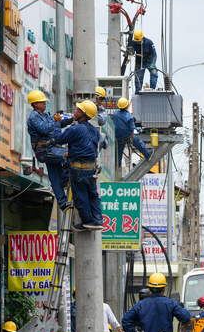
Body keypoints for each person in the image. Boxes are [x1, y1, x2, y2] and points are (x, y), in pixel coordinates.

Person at [50, 101, 103, 231]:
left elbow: (57, 139)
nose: (75, 111)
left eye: (78, 110)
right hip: (90, 170)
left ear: (83, 115)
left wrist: (57, 123)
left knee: (80, 197)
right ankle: (97, 220)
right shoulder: (94, 131)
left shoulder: (76, 129)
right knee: (92, 195)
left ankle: (87, 222)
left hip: (78, 170)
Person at [122, 272, 191, 332]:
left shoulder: (140, 305)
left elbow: (125, 321)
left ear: (150, 289)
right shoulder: (171, 304)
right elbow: (186, 317)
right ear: (164, 289)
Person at [26, 90, 70, 211]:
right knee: (70, 154)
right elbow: (44, 129)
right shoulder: (33, 117)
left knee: (54, 177)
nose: (45, 103)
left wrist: (69, 119)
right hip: (45, 150)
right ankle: (65, 180)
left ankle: (62, 203)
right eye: (42, 102)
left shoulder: (45, 116)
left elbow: (59, 123)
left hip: (50, 150)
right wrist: (56, 121)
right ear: (35, 104)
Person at [114, 97, 152, 167]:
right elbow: (131, 128)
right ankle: (148, 156)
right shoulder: (129, 117)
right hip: (129, 137)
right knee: (140, 144)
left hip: (119, 138)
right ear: (127, 106)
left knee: (118, 154)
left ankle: (117, 166)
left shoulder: (115, 114)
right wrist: (137, 129)